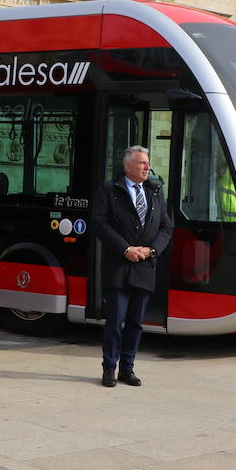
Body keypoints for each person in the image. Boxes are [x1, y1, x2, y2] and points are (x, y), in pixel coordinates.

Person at [90, 145, 172, 388]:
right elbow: (99, 224)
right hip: (118, 265)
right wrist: (126, 249)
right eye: (142, 163)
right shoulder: (108, 190)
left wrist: (152, 250)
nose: (147, 167)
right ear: (128, 166)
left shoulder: (155, 192)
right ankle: (109, 369)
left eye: (147, 163)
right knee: (115, 321)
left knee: (136, 323)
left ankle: (128, 368)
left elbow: (166, 227)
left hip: (145, 266)